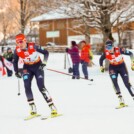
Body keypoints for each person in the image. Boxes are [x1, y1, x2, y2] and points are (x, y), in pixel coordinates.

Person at [13, 33, 58, 117]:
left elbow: (46, 53)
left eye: (21, 41)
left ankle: (52, 107)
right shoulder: (17, 50)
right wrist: (16, 72)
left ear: (25, 40)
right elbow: (15, 61)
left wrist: (44, 63)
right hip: (27, 68)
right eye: (17, 42)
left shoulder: (33, 46)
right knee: (27, 86)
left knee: (41, 86)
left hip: (37, 66)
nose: (20, 44)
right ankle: (33, 108)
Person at [99, 40, 134, 108]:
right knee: (114, 82)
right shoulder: (106, 53)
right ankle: (121, 101)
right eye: (107, 47)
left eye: (109, 47)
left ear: (113, 46)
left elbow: (131, 54)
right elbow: (101, 59)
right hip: (112, 68)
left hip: (122, 67)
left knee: (126, 83)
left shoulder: (119, 50)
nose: (108, 49)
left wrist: (133, 63)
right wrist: (101, 66)